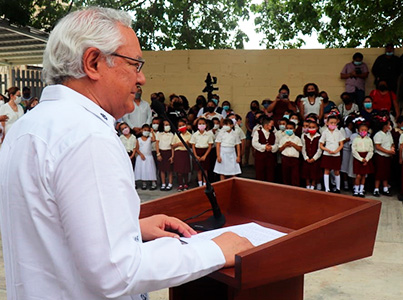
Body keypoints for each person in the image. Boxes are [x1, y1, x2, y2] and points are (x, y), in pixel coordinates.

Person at [0, 7, 252, 299]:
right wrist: (215, 250)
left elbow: (46, 228)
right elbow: (117, 274)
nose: (142, 78)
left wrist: (132, 228)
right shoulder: (87, 136)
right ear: (93, 62)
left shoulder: (26, 127)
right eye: (135, 64)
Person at [319, 115, 344, 193]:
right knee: (326, 170)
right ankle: (327, 188)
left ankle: (338, 188)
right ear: (327, 123)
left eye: (334, 123)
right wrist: (327, 150)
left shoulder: (339, 132)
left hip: (336, 155)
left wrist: (336, 151)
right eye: (331, 123)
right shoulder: (325, 132)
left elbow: (341, 144)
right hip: (327, 154)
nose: (333, 124)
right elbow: (321, 145)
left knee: (337, 171)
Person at [372, 118, 395, 197]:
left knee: (386, 173)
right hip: (380, 156)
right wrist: (387, 151)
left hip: (387, 156)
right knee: (379, 173)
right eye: (388, 125)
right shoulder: (378, 134)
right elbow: (378, 146)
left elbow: (392, 143)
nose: (389, 126)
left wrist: (392, 149)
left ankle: (385, 188)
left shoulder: (389, 133)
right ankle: (376, 189)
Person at [252, 117, 278, 182]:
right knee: (260, 175)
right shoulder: (258, 132)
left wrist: (271, 147)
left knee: (270, 175)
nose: (272, 126)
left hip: (270, 158)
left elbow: (277, 144)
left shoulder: (273, 134)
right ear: (266, 125)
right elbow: (254, 143)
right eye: (271, 124)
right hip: (260, 158)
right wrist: (264, 147)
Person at [351, 122, 374, 197]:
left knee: (364, 175)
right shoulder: (356, 139)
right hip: (358, 158)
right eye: (362, 130)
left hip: (366, 157)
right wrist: (360, 159)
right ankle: (356, 190)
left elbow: (371, 150)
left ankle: (361, 190)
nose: (363, 131)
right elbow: (353, 150)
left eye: (365, 130)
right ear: (358, 130)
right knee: (358, 175)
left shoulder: (369, 140)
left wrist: (367, 159)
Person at [191, 118, 214, 187]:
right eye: (200, 124)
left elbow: (210, 146)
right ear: (197, 125)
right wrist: (195, 155)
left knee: (205, 170)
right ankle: (200, 184)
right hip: (197, 151)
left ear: (206, 125)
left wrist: (205, 156)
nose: (201, 125)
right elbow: (193, 145)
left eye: (203, 124)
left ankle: (205, 183)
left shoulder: (208, 134)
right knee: (199, 170)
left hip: (205, 152)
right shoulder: (195, 134)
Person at [278, 121, 302, 186]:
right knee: (286, 175)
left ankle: (295, 189)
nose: (289, 130)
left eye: (291, 128)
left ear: (294, 129)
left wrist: (293, 144)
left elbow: (300, 149)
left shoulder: (297, 139)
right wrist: (285, 145)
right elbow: (280, 149)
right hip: (285, 159)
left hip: (294, 160)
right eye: (287, 128)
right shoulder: (283, 139)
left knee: (295, 176)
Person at [134, 124, 157, 190]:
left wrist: (152, 132)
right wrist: (141, 154)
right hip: (141, 157)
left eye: (148, 130)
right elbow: (137, 149)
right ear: (141, 130)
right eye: (144, 130)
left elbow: (154, 139)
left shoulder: (150, 139)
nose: (146, 131)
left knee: (150, 170)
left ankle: (153, 183)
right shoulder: (138, 139)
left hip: (149, 157)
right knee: (143, 170)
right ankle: (144, 183)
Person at [301, 119, 323, 190]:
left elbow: (319, 150)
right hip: (307, 158)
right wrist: (306, 157)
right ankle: (307, 186)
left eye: (313, 127)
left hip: (315, 159)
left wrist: (314, 158)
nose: (311, 129)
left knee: (314, 173)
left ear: (317, 128)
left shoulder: (319, 137)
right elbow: (303, 148)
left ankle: (313, 186)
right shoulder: (304, 136)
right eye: (309, 127)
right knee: (306, 173)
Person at [171, 119, 192, 191]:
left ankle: (185, 184)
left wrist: (186, 144)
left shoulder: (189, 134)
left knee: (185, 170)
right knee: (179, 171)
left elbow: (190, 144)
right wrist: (178, 144)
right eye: (179, 126)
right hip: (178, 153)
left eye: (182, 125)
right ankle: (180, 184)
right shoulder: (176, 134)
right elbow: (173, 145)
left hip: (185, 153)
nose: (181, 127)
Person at [156, 119, 175, 191]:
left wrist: (172, 156)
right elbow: (157, 144)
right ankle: (163, 184)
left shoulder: (171, 134)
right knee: (162, 169)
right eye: (165, 125)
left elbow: (172, 146)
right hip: (161, 152)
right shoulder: (159, 134)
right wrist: (158, 154)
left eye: (168, 125)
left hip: (169, 152)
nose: (167, 126)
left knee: (170, 170)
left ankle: (170, 184)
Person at [244, 100, 260, 165]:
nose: (254, 105)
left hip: (257, 131)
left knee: (255, 148)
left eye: (255, 104)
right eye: (252, 104)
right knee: (247, 146)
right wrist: (249, 129)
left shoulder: (259, 113)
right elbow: (246, 122)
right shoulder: (249, 113)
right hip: (249, 131)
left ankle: (255, 162)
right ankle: (246, 161)